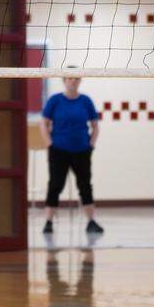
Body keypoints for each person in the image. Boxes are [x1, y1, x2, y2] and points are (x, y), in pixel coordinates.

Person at [39, 74, 102, 235]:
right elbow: (43, 124)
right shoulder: (55, 100)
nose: (73, 81)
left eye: (76, 78)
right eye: (69, 78)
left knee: (85, 186)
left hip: (82, 151)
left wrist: (91, 145)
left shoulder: (85, 101)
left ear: (80, 80)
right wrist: (49, 144)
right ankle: (48, 222)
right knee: (55, 185)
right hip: (58, 150)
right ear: (64, 80)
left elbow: (95, 126)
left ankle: (91, 221)